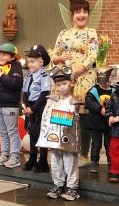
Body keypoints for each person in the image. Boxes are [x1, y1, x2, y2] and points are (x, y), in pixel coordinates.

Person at [51, 0, 99, 166]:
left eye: (85, 11)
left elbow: (93, 54)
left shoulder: (91, 32)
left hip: (83, 77)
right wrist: (59, 58)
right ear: (71, 14)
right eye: (78, 11)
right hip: (64, 77)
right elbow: (54, 54)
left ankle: (82, 154)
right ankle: (63, 148)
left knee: (82, 115)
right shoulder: (63, 33)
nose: (82, 15)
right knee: (64, 112)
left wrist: (78, 71)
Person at [37, 67, 81, 201]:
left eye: (64, 84)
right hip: (53, 138)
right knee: (55, 161)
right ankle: (58, 184)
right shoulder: (51, 100)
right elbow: (45, 117)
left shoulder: (74, 102)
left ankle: (72, 187)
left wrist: (55, 118)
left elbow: (71, 120)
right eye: (58, 85)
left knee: (70, 161)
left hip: (68, 139)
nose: (61, 87)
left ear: (71, 83)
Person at [0, 43, 23, 168]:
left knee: (12, 131)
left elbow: (15, 84)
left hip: (10, 104)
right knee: (2, 131)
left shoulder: (16, 68)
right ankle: (4, 154)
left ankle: (15, 156)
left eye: (5, 54)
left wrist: (1, 76)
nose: (1, 56)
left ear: (12, 57)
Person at [22, 45, 52, 172]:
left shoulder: (44, 76)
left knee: (41, 134)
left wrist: (33, 109)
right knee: (32, 133)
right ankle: (32, 158)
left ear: (41, 62)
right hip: (30, 107)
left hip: (40, 107)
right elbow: (24, 92)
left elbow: (44, 94)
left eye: (33, 61)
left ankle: (43, 161)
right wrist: (25, 105)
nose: (30, 64)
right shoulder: (29, 76)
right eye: (29, 61)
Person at [85, 65, 113, 173]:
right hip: (95, 122)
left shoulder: (114, 90)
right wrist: (99, 108)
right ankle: (94, 162)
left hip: (109, 123)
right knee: (96, 143)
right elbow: (89, 102)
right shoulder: (94, 90)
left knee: (109, 144)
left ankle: (111, 162)